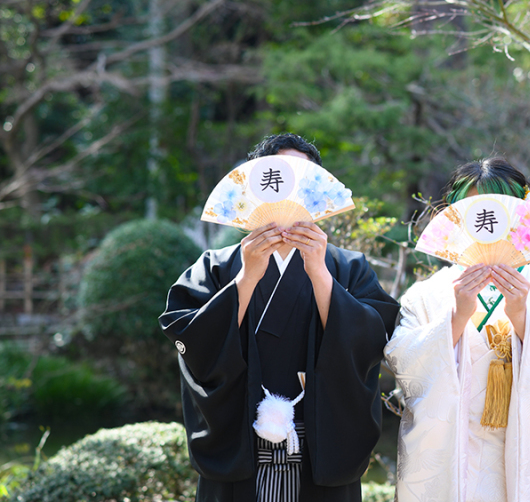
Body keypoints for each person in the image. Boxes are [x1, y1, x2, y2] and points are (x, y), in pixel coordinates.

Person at [159, 133, 399, 502]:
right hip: (239, 451)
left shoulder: (347, 267)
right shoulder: (216, 267)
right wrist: (247, 278)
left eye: (305, 182)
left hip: (321, 453)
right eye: (280, 178)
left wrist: (319, 273)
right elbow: (193, 340)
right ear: (257, 187)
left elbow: (371, 342)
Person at [384, 157, 530, 502]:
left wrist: (523, 316)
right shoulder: (427, 295)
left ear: (522, 216)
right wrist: (456, 315)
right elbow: (404, 364)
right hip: (452, 451)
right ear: (454, 218)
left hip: (523, 452)